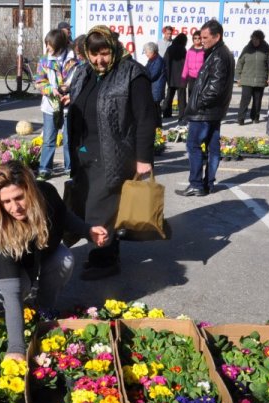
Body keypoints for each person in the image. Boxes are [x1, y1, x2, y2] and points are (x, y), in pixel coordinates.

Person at [0, 161, 108, 360]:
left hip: (32, 254)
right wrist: (16, 348)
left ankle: (41, 310)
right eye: (6, 202)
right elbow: (12, 290)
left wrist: (87, 230)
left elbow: (63, 216)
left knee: (64, 259)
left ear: (31, 191)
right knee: (19, 287)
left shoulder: (46, 193)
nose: (14, 207)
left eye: (19, 198)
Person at [68, 25, 155, 280]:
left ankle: (103, 260)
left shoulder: (132, 74)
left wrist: (143, 159)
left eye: (104, 53)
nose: (99, 60)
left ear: (114, 48)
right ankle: (108, 250)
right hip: (84, 152)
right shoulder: (85, 71)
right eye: (94, 54)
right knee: (91, 206)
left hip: (114, 154)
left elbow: (145, 119)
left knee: (99, 208)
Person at [178, 20, 235, 197]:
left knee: (193, 145)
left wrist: (199, 103)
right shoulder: (219, 52)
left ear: (217, 36)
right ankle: (207, 184)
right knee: (212, 147)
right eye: (201, 37)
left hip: (205, 112)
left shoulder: (218, 55)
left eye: (205, 37)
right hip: (213, 111)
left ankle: (196, 184)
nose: (202, 40)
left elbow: (215, 87)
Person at [34, 29, 78, 180]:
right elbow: (39, 82)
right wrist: (51, 90)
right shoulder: (44, 60)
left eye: (50, 45)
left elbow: (81, 81)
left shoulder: (75, 59)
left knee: (69, 139)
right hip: (50, 106)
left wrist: (70, 91)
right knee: (49, 139)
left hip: (69, 105)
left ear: (59, 45)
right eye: (46, 44)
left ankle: (70, 167)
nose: (47, 48)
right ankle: (45, 168)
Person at [236, 30, 269, 125]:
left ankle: (255, 117)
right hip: (246, 79)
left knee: (257, 100)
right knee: (245, 100)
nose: (254, 41)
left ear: (261, 39)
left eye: (257, 39)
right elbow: (240, 62)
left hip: (260, 79)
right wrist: (238, 76)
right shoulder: (247, 49)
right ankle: (241, 118)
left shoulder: (267, 50)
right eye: (253, 39)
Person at [162, 33, 188, 122]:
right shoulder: (183, 49)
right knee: (181, 97)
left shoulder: (169, 48)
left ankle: (166, 113)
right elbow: (186, 63)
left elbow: (165, 61)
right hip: (181, 77)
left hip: (171, 76)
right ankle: (182, 116)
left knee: (169, 95)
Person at [144, 42, 166, 128]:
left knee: (156, 108)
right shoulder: (151, 59)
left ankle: (158, 126)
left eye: (147, 52)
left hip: (156, 88)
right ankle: (155, 125)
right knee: (153, 108)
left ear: (152, 51)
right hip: (152, 88)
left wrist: (144, 76)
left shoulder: (158, 60)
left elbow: (153, 74)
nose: (146, 54)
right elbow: (145, 69)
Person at [181, 30, 205, 98]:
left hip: (201, 77)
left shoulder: (205, 51)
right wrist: (183, 77)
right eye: (195, 38)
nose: (197, 40)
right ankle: (191, 109)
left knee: (199, 96)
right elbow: (186, 65)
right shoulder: (189, 51)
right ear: (193, 39)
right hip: (191, 77)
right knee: (191, 96)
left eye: (199, 38)